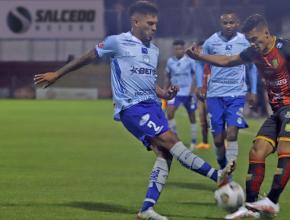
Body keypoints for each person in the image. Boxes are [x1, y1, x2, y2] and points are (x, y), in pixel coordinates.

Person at [33, 2, 234, 220]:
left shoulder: (154, 50)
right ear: (136, 22)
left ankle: (146, 209)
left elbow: (147, 81)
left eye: (156, 24)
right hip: (132, 108)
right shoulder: (117, 42)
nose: (154, 27)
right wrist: (58, 74)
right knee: (171, 140)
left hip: (153, 106)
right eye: (150, 23)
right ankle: (218, 177)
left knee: (165, 155)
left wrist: (164, 94)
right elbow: (90, 56)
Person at [187, 14, 290, 219]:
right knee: (256, 150)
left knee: (285, 147)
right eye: (249, 40)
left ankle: (272, 202)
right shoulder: (253, 52)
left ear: (267, 33)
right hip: (278, 111)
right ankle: (249, 207)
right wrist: (200, 57)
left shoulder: (285, 47)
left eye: (256, 39)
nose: (253, 44)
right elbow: (228, 60)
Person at [198, 10, 258, 172]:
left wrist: (253, 90)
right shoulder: (211, 42)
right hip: (214, 95)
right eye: (225, 23)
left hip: (237, 94)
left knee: (231, 134)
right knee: (218, 140)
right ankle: (222, 165)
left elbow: (252, 67)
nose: (228, 26)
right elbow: (200, 63)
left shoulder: (244, 42)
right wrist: (199, 85)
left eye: (231, 22)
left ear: (237, 23)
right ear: (221, 24)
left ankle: (229, 173)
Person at [164, 40, 198, 150]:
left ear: (184, 49)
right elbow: (167, 76)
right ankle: (175, 139)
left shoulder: (189, 61)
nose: (178, 51)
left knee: (192, 116)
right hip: (175, 93)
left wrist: (192, 89)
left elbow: (195, 75)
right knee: (169, 113)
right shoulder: (170, 61)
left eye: (180, 48)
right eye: (176, 49)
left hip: (188, 93)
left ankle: (193, 141)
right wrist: (165, 90)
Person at [194, 40, 211, 150]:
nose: (201, 50)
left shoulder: (212, 62)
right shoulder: (197, 63)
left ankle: (223, 141)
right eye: (199, 48)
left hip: (211, 95)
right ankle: (205, 142)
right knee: (202, 119)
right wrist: (197, 90)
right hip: (200, 96)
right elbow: (196, 78)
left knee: (214, 120)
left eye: (203, 48)